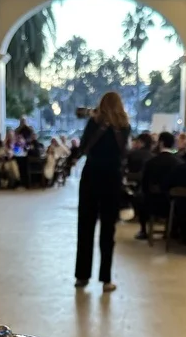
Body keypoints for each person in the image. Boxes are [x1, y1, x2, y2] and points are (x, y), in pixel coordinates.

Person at [74, 91, 130, 292]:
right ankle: (106, 280)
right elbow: (124, 153)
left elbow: (83, 146)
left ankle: (82, 276)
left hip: (91, 176)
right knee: (108, 230)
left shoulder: (94, 123)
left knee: (85, 227)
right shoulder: (124, 127)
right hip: (112, 179)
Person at [135, 131, 180, 240]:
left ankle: (143, 230)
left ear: (161, 143)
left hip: (152, 202)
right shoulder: (179, 163)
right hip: (172, 204)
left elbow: (145, 184)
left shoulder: (151, 162)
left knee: (139, 197)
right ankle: (172, 231)